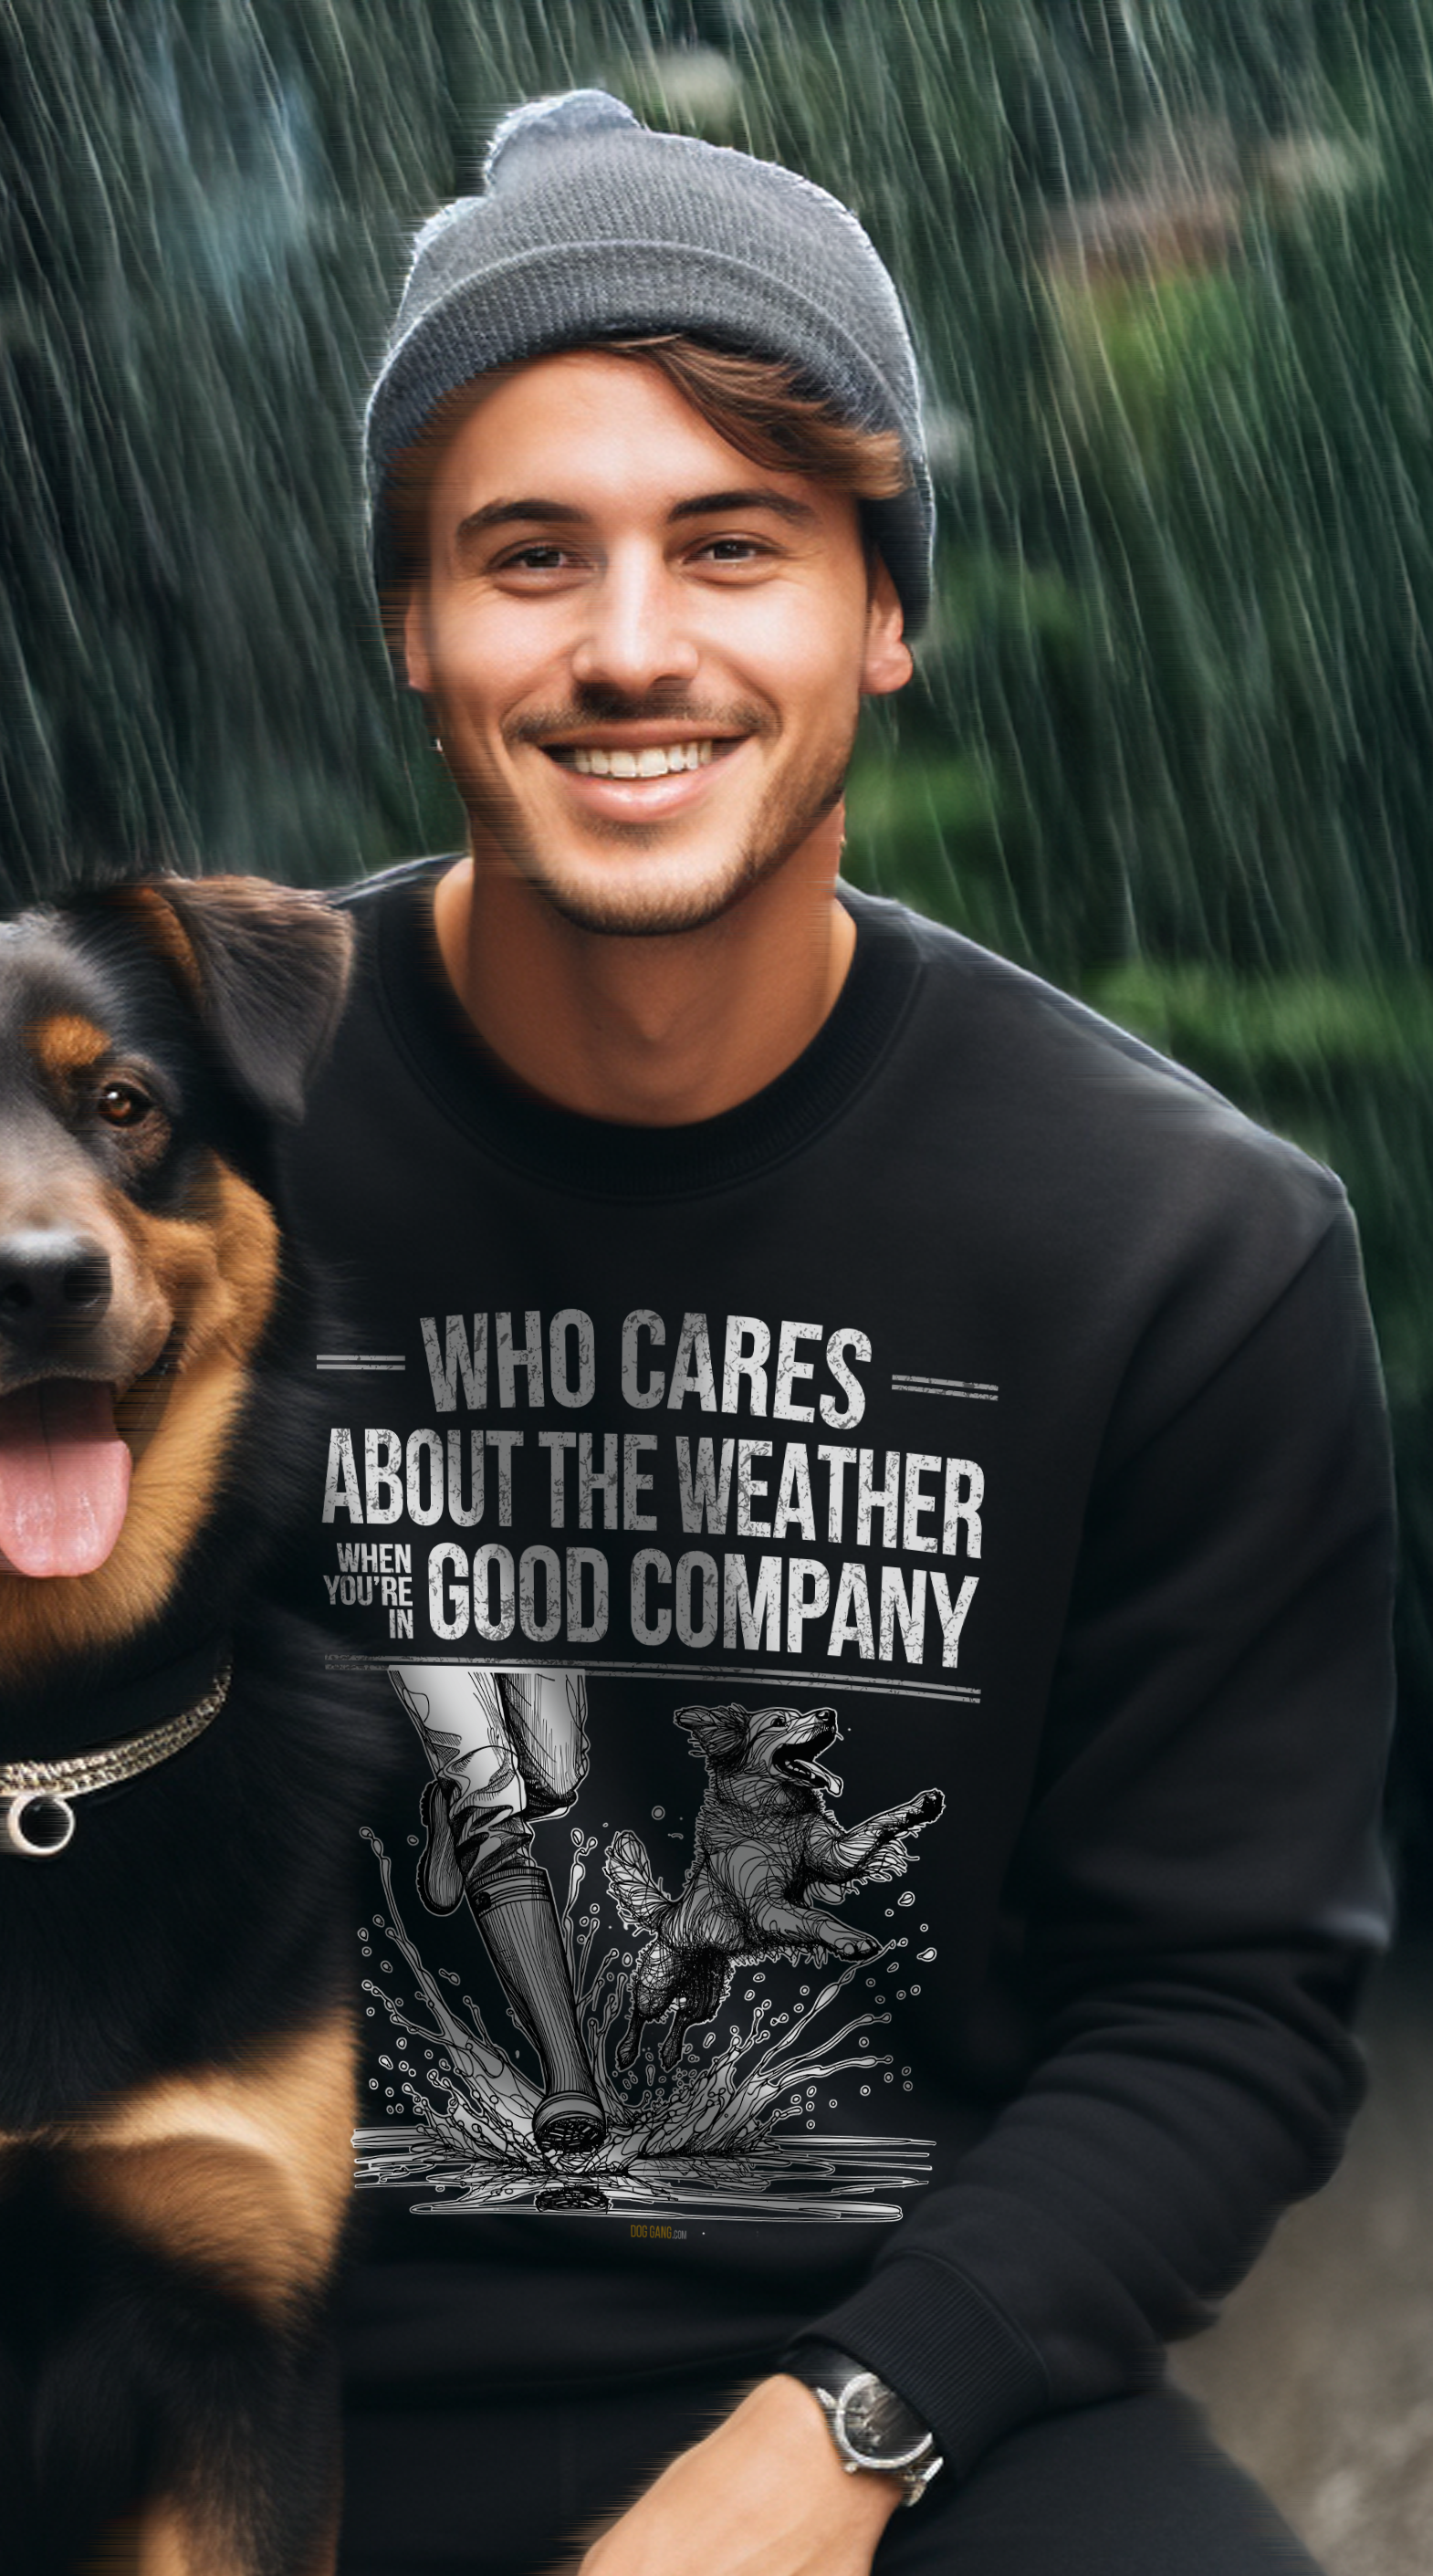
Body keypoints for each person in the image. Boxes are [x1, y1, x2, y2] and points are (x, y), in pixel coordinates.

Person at [285, 89, 1395, 2575]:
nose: (631, 644)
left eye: (732, 546)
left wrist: (835, 2440)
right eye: (525, 556)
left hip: (898, 2403)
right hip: (215, 2375)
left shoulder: (1175, 1251)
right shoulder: (173, 1154)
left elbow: (1213, 2011)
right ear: (409, 626)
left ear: (883, 610)